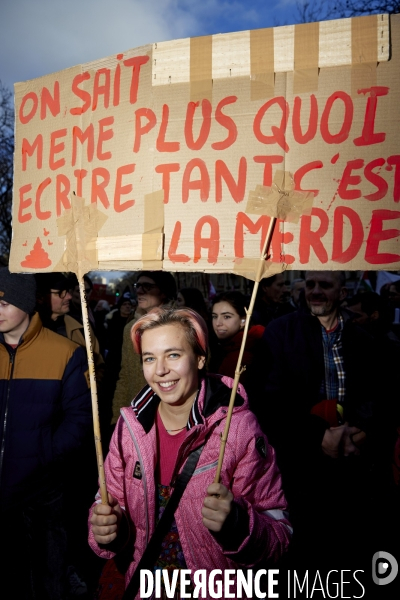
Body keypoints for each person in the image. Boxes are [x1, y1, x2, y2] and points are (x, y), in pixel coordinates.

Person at [89, 308, 291, 597]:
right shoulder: (129, 428)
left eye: (173, 355)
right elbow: (108, 501)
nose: (159, 370)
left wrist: (238, 524)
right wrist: (108, 527)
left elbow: (280, 535)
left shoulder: (237, 430)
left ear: (199, 358)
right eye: (149, 358)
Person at [253, 271, 381, 570]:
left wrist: (362, 431)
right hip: (299, 464)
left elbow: (379, 394)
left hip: (352, 464)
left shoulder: (363, 338)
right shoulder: (279, 332)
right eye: (310, 284)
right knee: (303, 550)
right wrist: (316, 435)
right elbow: (269, 401)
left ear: (343, 292)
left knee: (346, 548)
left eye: (325, 285)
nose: (315, 291)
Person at [0, 269, 92, 599]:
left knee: (46, 578)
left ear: (26, 302)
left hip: (42, 492)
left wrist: (46, 456)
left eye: (4, 302)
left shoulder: (65, 352)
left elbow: (79, 420)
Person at [110, 271, 177, 426]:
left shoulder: (181, 324)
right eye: (138, 286)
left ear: (164, 291)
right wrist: (118, 418)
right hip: (137, 414)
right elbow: (125, 376)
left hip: (174, 413)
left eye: (147, 286)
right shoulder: (131, 329)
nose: (139, 291)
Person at [209, 291, 264, 388]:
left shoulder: (241, 355)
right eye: (214, 316)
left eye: (226, 317)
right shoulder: (225, 347)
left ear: (243, 321)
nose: (218, 323)